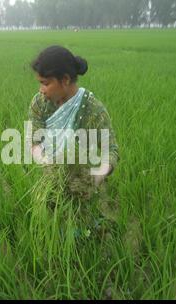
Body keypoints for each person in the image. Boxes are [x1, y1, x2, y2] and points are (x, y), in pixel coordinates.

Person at [27, 45, 120, 235]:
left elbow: (111, 150)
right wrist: (44, 161)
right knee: (52, 229)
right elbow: (34, 140)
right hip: (50, 180)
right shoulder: (39, 103)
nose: (41, 89)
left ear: (65, 80)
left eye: (45, 83)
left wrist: (94, 177)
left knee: (84, 231)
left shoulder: (92, 109)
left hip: (83, 187)